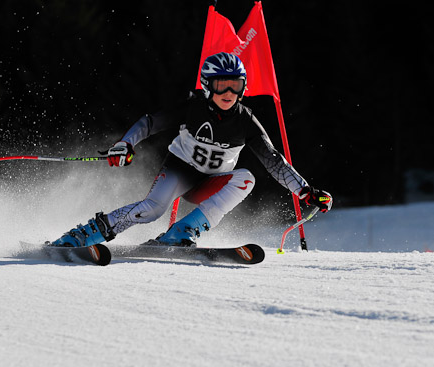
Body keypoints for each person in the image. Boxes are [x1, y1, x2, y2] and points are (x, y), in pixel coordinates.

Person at [50, 52, 332, 248]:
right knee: (151, 210)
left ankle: (182, 232)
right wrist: (125, 144)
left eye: (236, 86)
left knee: (247, 178)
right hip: (179, 171)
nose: (229, 94)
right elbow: (149, 123)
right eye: (222, 85)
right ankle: (83, 235)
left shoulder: (246, 121)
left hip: (209, 183)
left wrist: (305, 190)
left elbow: (274, 161)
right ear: (208, 85)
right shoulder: (193, 108)